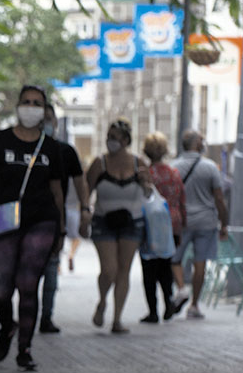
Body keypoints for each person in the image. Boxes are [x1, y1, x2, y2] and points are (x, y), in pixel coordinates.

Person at [0, 85, 65, 371]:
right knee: (0, 290)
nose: (31, 107)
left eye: (37, 103)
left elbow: (58, 191)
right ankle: (7, 326)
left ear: (44, 110)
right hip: (3, 220)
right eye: (26, 101)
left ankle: (25, 349)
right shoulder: (0, 140)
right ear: (18, 106)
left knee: (28, 285)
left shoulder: (51, 147)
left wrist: (62, 228)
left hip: (42, 221)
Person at [84, 119, 153, 333]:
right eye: (108, 136)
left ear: (125, 140)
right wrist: (84, 213)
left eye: (114, 137)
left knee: (124, 270)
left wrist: (145, 182)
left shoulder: (139, 163)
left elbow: (149, 193)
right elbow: (86, 191)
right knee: (109, 270)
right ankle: (102, 301)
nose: (110, 141)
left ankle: (117, 319)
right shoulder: (99, 163)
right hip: (104, 221)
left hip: (132, 222)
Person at [37, 102, 89, 334]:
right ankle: (28, 315)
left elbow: (79, 182)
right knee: (27, 272)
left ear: (55, 122)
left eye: (49, 119)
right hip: (27, 219)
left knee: (51, 267)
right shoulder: (27, 150)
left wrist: (85, 208)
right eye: (42, 119)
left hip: (54, 216)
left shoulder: (66, 151)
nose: (45, 124)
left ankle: (46, 317)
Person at [169, 130, 229, 319]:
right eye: (202, 140)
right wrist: (224, 223)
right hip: (206, 222)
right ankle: (194, 305)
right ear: (196, 144)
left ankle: (181, 288)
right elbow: (219, 198)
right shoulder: (210, 167)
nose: (204, 143)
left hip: (182, 221)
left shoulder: (174, 167)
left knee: (174, 258)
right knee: (200, 262)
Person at [139, 132, 186, 323]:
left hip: (150, 226)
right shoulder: (174, 173)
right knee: (166, 267)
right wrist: (182, 224)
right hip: (171, 223)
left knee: (149, 269)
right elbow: (182, 199)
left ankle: (153, 311)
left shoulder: (145, 174)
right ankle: (168, 303)